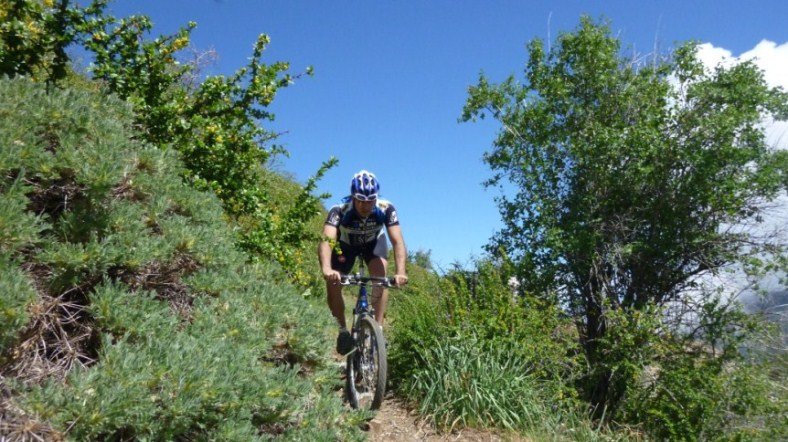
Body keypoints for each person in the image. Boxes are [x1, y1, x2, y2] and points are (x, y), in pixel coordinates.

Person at [318, 170, 408, 355]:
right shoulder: (339, 210)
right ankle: (342, 331)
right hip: (346, 245)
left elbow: (397, 241)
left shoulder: (386, 208)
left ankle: (379, 332)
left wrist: (401, 271)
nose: (366, 205)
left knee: (380, 277)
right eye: (360, 200)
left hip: (373, 244)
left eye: (370, 200)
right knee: (333, 283)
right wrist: (327, 269)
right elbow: (326, 241)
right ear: (352, 196)